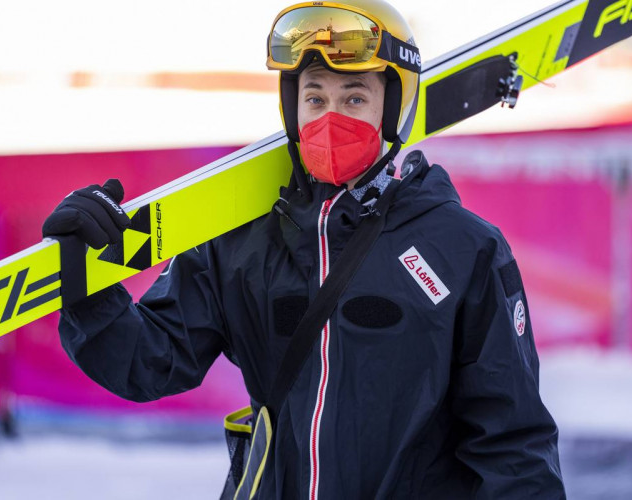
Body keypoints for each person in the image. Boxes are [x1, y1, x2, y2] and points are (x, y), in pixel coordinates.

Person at [43, 0, 566, 498]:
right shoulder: (241, 243)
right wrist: (89, 287)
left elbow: (512, 444)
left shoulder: (463, 250)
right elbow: (149, 361)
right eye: (315, 98)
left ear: (395, 110)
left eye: (354, 98)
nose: (330, 118)